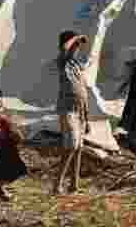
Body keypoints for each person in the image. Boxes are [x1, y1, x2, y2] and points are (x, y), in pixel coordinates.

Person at [53, 31, 89, 196]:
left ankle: (74, 184)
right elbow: (65, 49)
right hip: (68, 109)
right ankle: (57, 185)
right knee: (71, 146)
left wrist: (86, 118)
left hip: (79, 110)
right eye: (74, 45)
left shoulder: (76, 65)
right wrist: (75, 39)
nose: (76, 48)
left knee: (79, 147)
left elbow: (83, 91)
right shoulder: (63, 62)